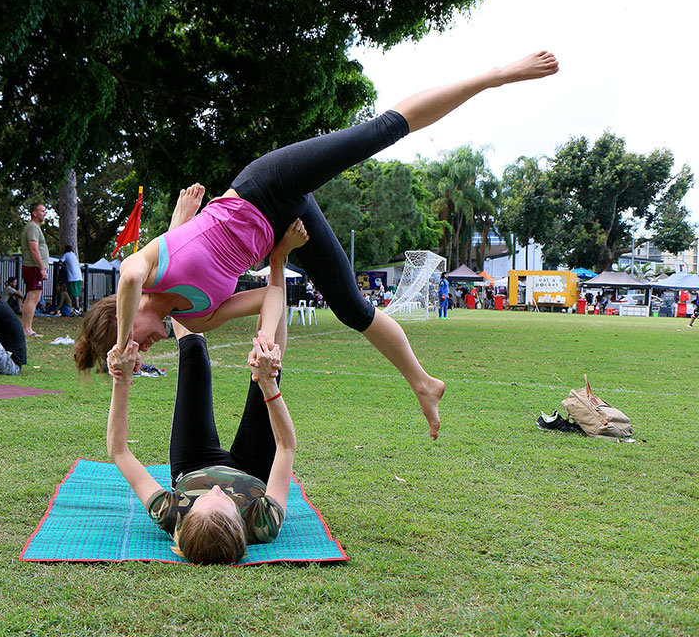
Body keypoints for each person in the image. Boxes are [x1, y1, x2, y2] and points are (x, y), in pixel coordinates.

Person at [75, 51, 559, 440]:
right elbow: (269, 297)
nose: (144, 348)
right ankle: (423, 382)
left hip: (264, 186)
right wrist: (268, 326)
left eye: (136, 341)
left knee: (376, 133)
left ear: (119, 317)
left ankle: (495, 75)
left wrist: (119, 345)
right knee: (351, 307)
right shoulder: (195, 318)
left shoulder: (146, 269)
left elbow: (129, 277)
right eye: (140, 353)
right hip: (286, 228)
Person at [105, 244, 300, 565]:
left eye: (204, 501)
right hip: (253, 468)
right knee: (270, 368)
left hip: (192, 463)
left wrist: (121, 379)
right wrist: (267, 382)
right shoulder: (262, 524)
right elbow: (286, 447)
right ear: (241, 525)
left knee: (194, 358)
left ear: (185, 519)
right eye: (223, 501)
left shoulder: (171, 513)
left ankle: (175, 281)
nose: (216, 491)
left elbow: (119, 451)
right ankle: (279, 259)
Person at [21, 202, 49, 337]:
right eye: (42, 211)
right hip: (33, 267)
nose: (44, 214)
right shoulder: (32, 227)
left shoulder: (35, 228)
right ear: (34, 213)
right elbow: (33, 248)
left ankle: (26, 328)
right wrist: (42, 268)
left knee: (34, 297)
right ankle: (26, 329)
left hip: (35, 267)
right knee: (33, 297)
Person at [60, 245, 83, 313]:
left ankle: (76, 306)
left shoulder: (66, 254)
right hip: (79, 276)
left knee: (74, 292)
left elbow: (60, 262)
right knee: (77, 292)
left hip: (72, 277)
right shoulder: (73, 255)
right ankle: (77, 306)